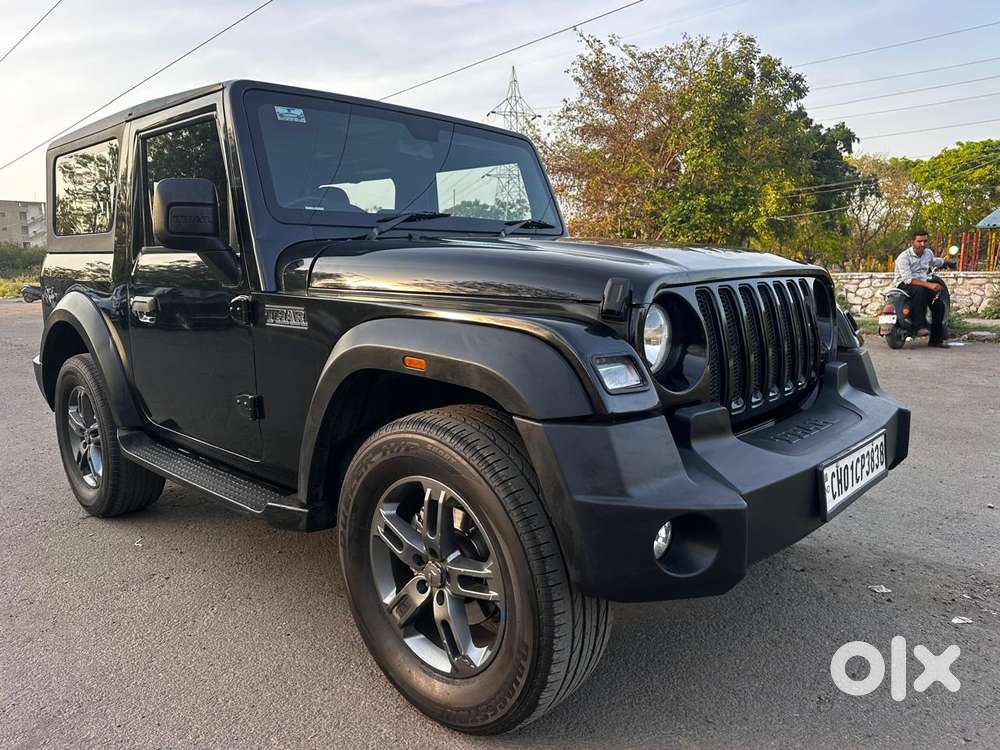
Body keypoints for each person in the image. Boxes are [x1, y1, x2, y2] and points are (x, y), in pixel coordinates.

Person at [893, 230, 947, 348]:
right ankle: (919, 326)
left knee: (938, 305)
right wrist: (930, 285)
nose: (922, 244)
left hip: (923, 283)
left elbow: (933, 261)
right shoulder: (904, 257)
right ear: (913, 242)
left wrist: (945, 262)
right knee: (919, 291)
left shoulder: (928, 253)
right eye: (919, 241)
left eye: (925, 241)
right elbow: (908, 279)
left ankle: (936, 340)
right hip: (904, 284)